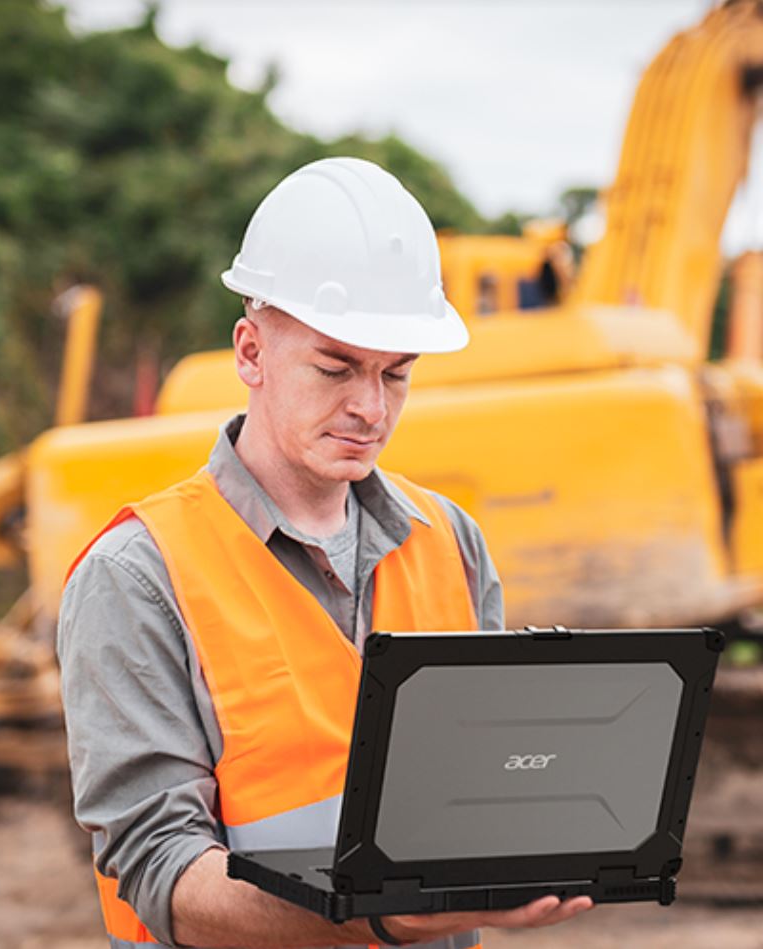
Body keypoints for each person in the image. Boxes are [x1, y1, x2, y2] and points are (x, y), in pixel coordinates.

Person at [58, 157, 595, 948]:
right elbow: (161, 870)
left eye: (395, 375)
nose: (369, 408)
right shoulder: (138, 575)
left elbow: (475, 794)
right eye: (335, 368)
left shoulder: (450, 541)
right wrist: (383, 914)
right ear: (250, 352)